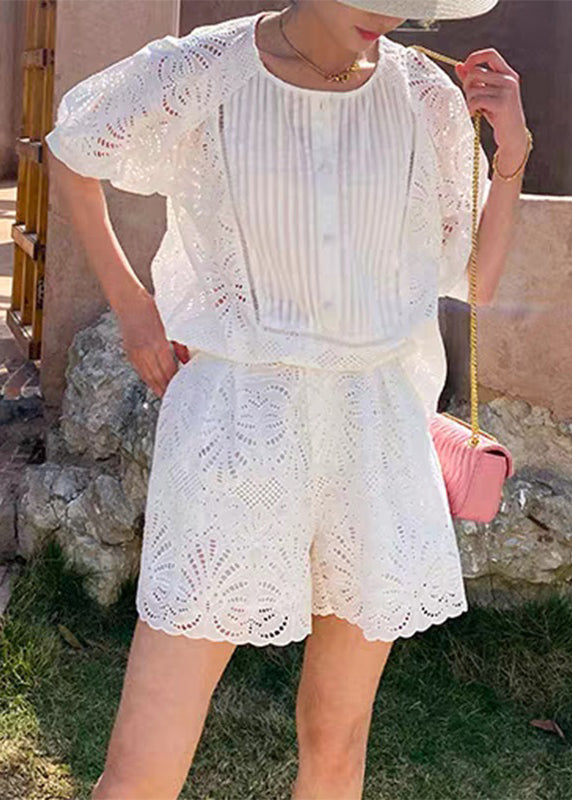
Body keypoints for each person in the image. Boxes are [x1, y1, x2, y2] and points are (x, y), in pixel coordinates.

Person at [44, 1, 530, 797]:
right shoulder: (205, 68)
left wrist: (511, 157)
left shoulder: (423, 93)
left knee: (337, 741)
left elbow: (472, 279)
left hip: (374, 430)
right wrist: (132, 306)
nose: (389, 12)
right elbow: (72, 149)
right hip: (236, 423)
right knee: (143, 764)